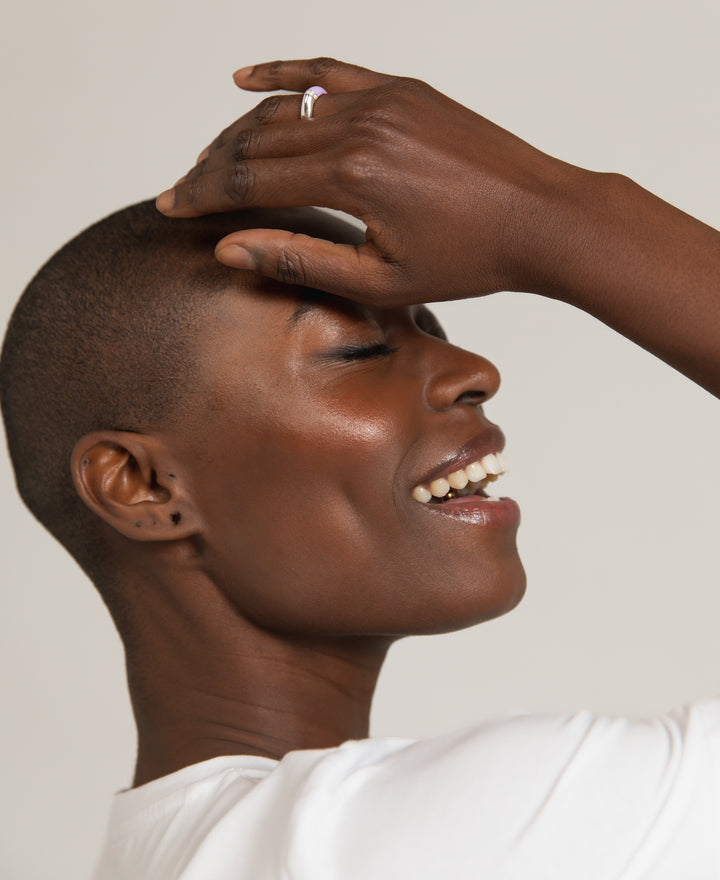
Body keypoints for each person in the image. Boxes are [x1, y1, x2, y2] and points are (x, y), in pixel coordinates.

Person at [1, 57, 718, 879]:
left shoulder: (179, 855)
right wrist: (555, 216)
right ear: (143, 486)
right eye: (360, 349)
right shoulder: (384, 834)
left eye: (428, 326)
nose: (470, 368)